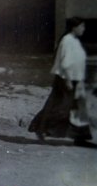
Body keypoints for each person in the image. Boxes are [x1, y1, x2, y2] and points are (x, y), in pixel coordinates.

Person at [28, 17, 93, 145]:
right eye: (81, 26)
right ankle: (41, 128)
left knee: (77, 108)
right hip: (65, 79)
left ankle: (80, 138)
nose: (83, 29)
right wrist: (68, 80)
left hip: (75, 79)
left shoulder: (74, 41)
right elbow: (65, 63)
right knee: (60, 107)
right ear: (74, 27)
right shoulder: (67, 41)